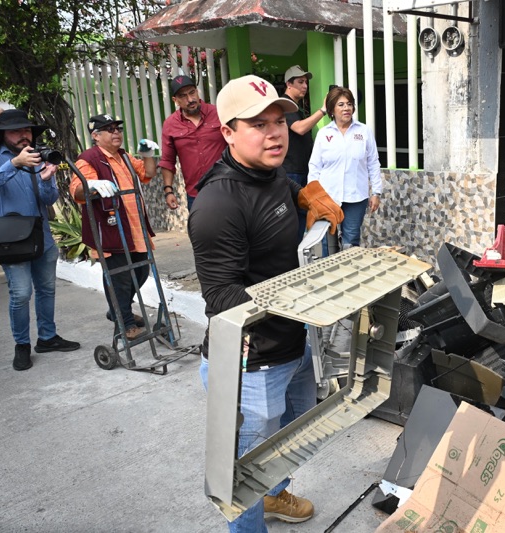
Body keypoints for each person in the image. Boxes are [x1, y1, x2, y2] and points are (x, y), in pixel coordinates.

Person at [188, 74, 343, 533]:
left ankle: (276, 494)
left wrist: (303, 199)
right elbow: (222, 298)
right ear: (228, 132)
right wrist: (301, 294)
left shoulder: (272, 174)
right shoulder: (217, 205)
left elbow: (279, 205)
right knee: (245, 476)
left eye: (278, 121)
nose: (275, 133)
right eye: (258, 124)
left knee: (291, 438)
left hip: (292, 342)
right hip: (251, 364)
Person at [0, 109, 81, 370]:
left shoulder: (37, 156)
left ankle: (47, 337)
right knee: (21, 293)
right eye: (16, 131)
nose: (23, 135)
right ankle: (22, 345)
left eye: (27, 130)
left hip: (42, 237)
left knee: (47, 289)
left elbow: (49, 199)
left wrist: (47, 181)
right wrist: (15, 163)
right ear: (3, 134)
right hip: (10, 241)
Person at [70, 114, 158, 341]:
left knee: (141, 272)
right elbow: (77, 191)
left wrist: (148, 155)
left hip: (135, 227)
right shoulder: (88, 159)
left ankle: (118, 311)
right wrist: (91, 185)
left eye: (118, 128)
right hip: (112, 229)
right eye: (109, 130)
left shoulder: (124, 156)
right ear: (96, 136)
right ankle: (125, 322)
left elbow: (147, 174)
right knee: (119, 277)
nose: (116, 132)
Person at [308, 86, 382, 251]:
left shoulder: (364, 131)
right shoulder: (323, 134)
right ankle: (328, 267)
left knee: (351, 239)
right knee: (326, 240)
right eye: (341, 105)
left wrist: (376, 192)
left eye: (349, 104)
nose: (346, 108)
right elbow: (314, 166)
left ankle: (348, 267)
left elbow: (373, 162)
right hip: (327, 196)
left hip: (356, 197)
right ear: (332, 109)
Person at [159, 74, 227, 211]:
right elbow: (167, 161)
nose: (190, 99)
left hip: (227, 189)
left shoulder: (219, 113)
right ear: (175, 100)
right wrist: (168, 191)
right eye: (183, 96)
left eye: (192, 92)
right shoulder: (170, 124)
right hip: (196, 195)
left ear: (197, 91)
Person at [281, 65, 326, 239]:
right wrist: (323, 110)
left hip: (302, 171)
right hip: (291, 171)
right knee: (293, 217)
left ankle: (297, 250)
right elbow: (299, 129)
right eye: (300, 82)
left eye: (306, 82)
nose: (305, 86)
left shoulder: (297, 107)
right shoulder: (285, 105)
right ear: (289, 84)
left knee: (301, 215)